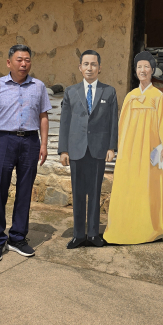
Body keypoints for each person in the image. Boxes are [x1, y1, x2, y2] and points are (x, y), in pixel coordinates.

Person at [0, 44, 51, 262]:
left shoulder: (38, 86)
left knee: (24, 191)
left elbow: (43, 117)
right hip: (3, 141)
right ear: (9, 62)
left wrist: (43, 144)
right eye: (19, 59)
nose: (24, 64)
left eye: (27, 60)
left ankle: (18, 237)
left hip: (30, 141)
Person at [104, 51, 163, 245]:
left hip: (150, 151)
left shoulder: (158, 96)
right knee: (127, 186)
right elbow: (121, 124)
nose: (143, 70)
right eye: (139, 67)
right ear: (135, 71)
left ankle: (147, 228)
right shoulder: (131, 96)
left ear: (152, 70)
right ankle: (122, 226)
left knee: (147, 187)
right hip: (130, 151)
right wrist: (118, 148)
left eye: (146, 67)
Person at [58, 50, 118, 249]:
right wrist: (63, 150)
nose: (89, 68)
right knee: (77, 193)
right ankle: (78, 234)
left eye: (93, 64)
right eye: (86, 64)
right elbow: (65, 122)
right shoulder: (70, 91)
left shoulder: (108, 92)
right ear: (80, 68)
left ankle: (93, 234)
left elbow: (113, 122)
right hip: (76, 150)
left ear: (99, 68)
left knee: (94, 192)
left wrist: (112, 146)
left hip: (98, 150)